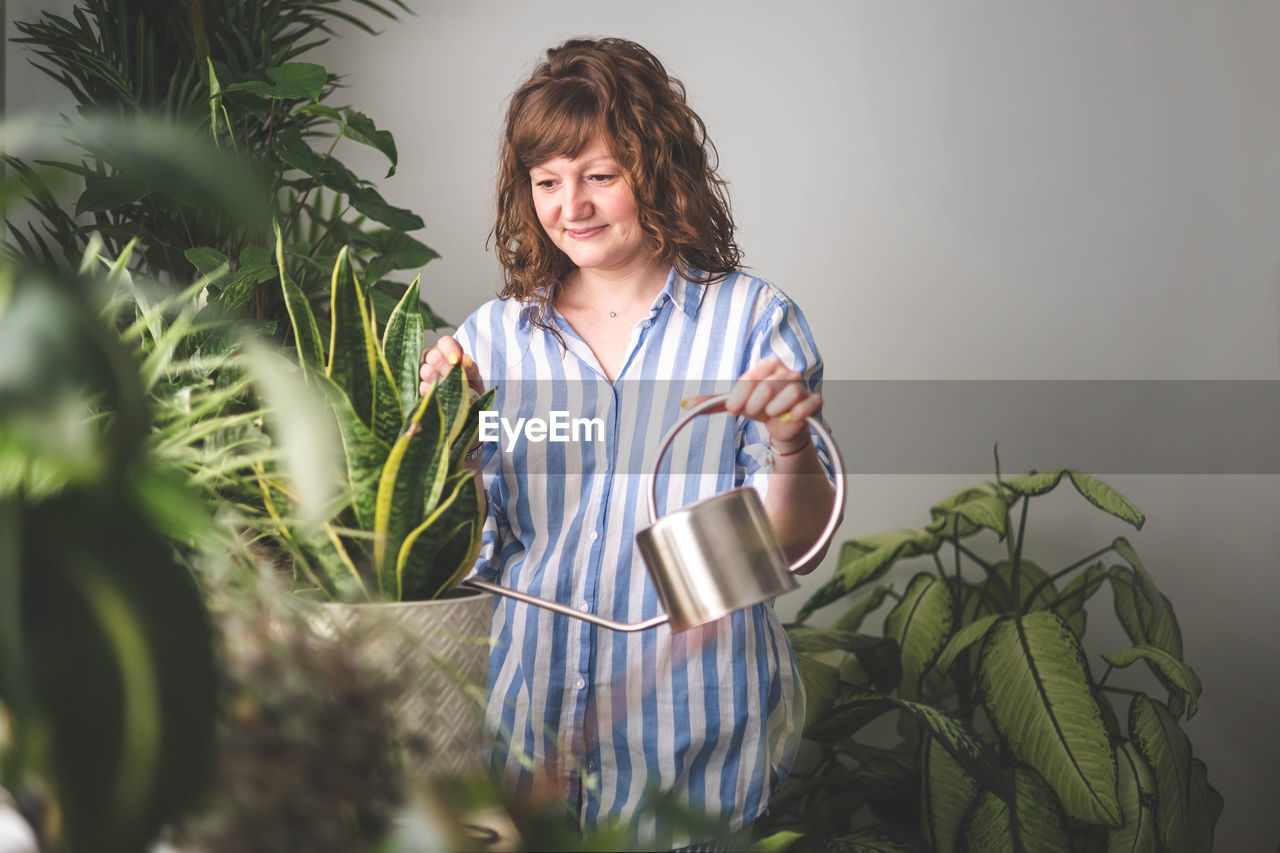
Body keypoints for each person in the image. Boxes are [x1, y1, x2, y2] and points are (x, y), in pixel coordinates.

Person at [419, 37, 837, 849]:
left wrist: (789, 447)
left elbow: (796, 548)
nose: (570, 205)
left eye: (599, 176)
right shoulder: (497, 338)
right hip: (525, 751)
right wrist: (444, 441)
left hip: (697, 760)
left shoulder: (751, 322)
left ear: (660, 168)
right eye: (547, 181)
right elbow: (472, 553)